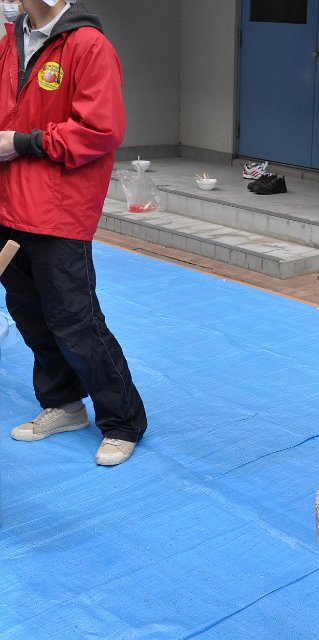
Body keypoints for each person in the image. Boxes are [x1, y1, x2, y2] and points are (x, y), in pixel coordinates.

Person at [0, 0, 147, 465]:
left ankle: (123, 421)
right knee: (28, 314)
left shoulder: (88, 45)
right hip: (7, 204)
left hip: (58, 208)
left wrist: (24, 141)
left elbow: (101, 129)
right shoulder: (10, 43)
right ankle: (63, 404)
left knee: (75, 322)